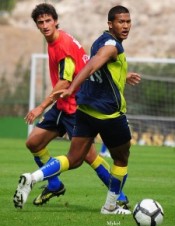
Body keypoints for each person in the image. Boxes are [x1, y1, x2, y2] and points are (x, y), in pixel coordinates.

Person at [13, 5, 141, 214]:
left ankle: (119, 198)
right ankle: (57, 185)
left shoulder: (71, 43)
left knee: (85, 157)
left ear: (56, 21)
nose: (45, 26)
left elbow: (80, 71)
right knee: (35, 142)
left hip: (74, 105)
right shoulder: (69, 43)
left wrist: (43, 105)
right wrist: (65, 92)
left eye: (48, 21)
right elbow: (90, 66)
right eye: (40, 22)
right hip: (77, 105)